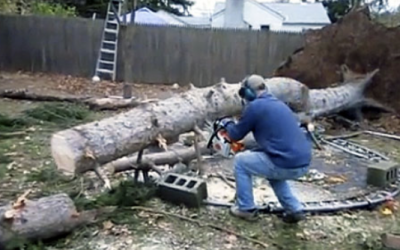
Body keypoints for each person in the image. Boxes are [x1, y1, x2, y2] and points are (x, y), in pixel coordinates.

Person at [219, 74, 312, 223]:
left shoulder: (255, 106)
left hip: (285, 162)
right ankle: (294, 208)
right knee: (273, 173)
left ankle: (246, 208)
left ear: (248, 92)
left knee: (241, 162)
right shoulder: (280, 104)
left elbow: (236, 134)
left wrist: (226, 123)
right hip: (303, 162)